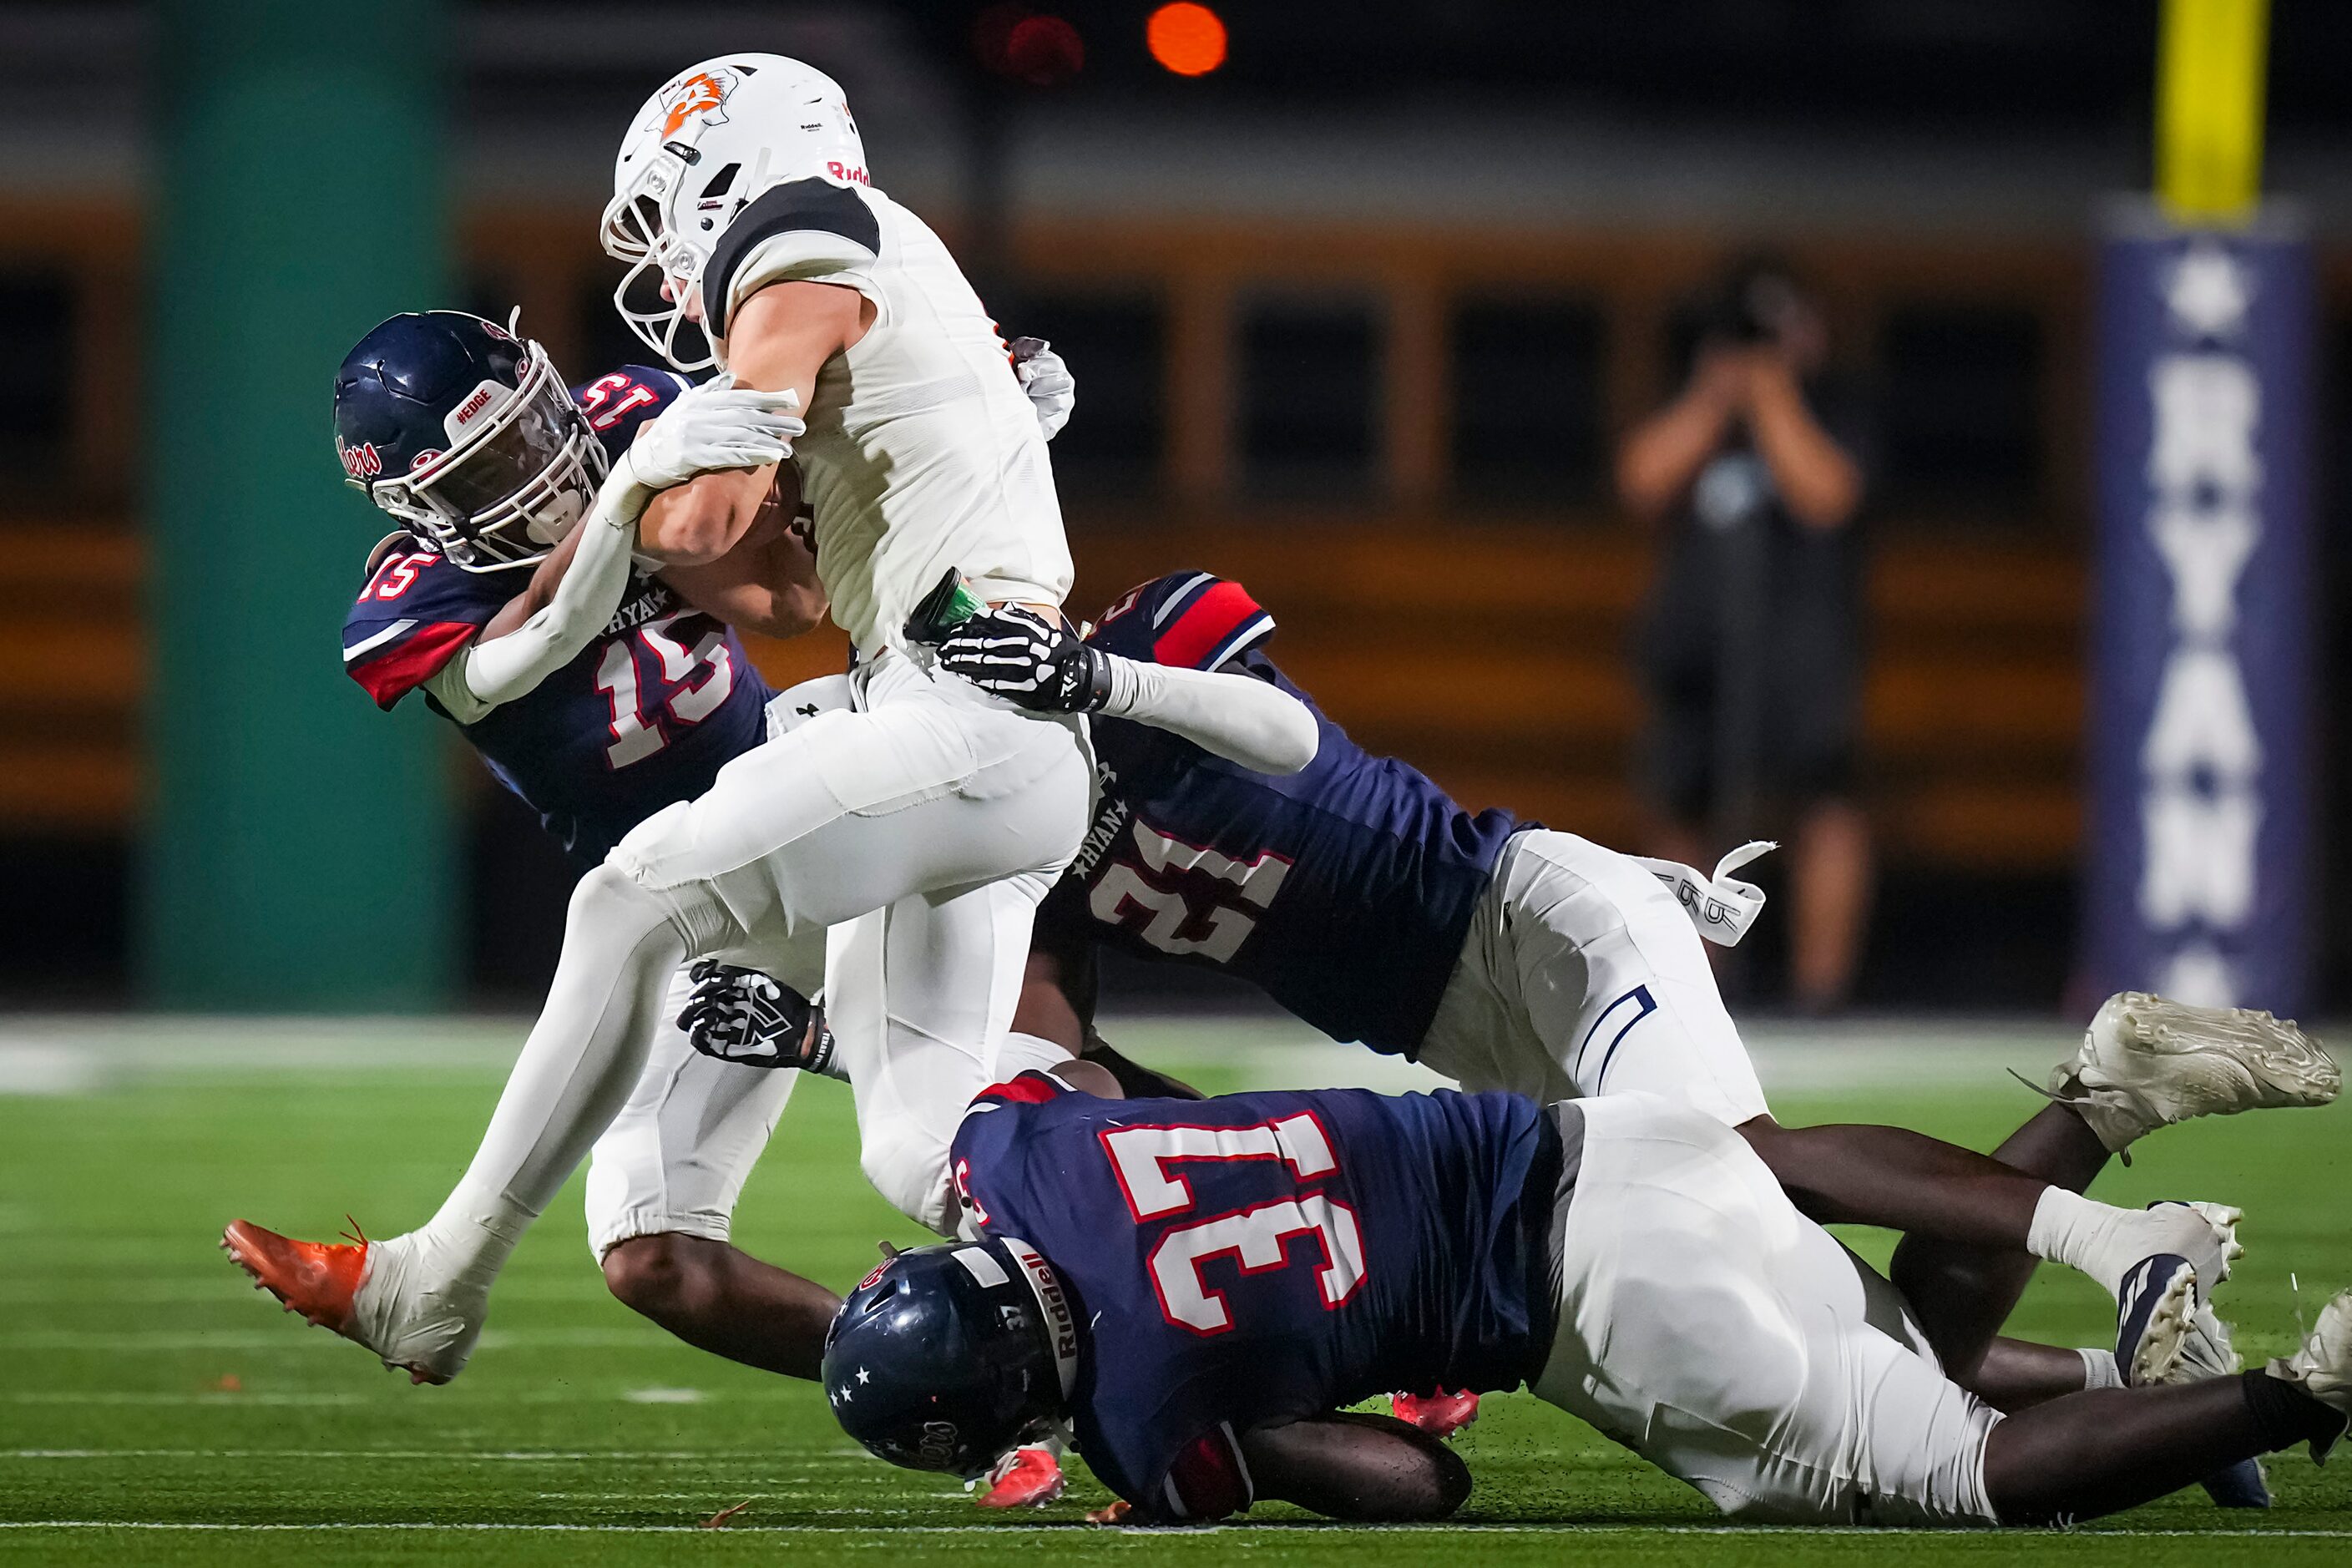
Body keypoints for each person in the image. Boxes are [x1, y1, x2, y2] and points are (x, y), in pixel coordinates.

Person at [219, 52, 1325, 1390]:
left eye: (531, 429)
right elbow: (536, 649)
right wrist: (643, 494)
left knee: (676, 916)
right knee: (839, 1181)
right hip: (818, 809)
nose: (536, 465)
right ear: (420, 508)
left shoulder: (767, 281)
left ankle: (435, 1279)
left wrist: (721, 471)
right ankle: (1180, 1339)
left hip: (865, 764)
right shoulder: (414, 607)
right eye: (491, 465)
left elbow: (767, 568)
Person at [911, 569, 2336, 1504]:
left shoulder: (1146, 651)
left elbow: (1270, 725)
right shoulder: (1028, 879)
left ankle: (2117, 1239)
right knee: (1830, 1294)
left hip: (1529, 921)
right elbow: (1118, 1100)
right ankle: (2106, 1150)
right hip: (1471, 1040)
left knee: (1748, 1162)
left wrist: (1101, 683)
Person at [825, 1065, 2352, 1528]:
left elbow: (1421, 1477)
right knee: (1904, 1344)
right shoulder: (1020, 1147)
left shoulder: (1144, 1409)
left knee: (1953, 1469)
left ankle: (2311, 1385)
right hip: (1594, 1132)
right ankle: (2102, 1124)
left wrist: (1193, 1472)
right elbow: (1068, 1079)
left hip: (1598, 1296)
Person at [1617, 255, 1870, 1011]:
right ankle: (1694, 986)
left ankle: (1820, 993)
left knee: (1825, 805)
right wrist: (1713, 396)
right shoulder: (1695, 407)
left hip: (1804, 647)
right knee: (1680, 804)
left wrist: (1772, 398)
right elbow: (1641, 481)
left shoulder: (1839, 408)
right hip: (1698, 642)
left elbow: (1827, 497)